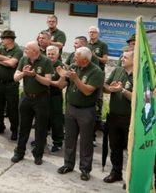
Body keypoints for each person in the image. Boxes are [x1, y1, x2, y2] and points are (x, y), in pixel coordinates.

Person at [56, 47, 105, 181]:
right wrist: (62, 76)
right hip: (71, 108)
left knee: (85, 141)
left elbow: (88, 91)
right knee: (70, 138)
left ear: (84, 60)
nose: (73, 59)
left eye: (76, 57)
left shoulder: (96, 72)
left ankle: (85, 169)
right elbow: (62, 85)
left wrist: (76, 79)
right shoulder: (73, 66)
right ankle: (68, 164)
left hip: (86, 111)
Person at [11, 42, 53, 165]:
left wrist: (35, 75)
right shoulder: (24, 59)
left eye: (27, 48)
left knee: (41, 128)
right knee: (23, 126)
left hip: (41, 99)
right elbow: (15, 77)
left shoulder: (46, 61)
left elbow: (48, 82)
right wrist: (24, 73)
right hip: (26, 97)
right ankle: (19, 152)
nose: (24, 50)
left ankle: (38, 154)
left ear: (34, 51)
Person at [102, 50, 133, 184]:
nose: (122, 59)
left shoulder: (140, 75)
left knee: (130, 150)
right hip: (114, 116)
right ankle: (116, 173)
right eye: (122, 56)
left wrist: (123, 91)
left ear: (134, 59)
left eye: (125, 57)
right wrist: (110, 89)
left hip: (130, 119)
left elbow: (141, 99)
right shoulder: (117, 70)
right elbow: (104, 86)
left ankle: (131, 177)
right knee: (114, 147)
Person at [0, 29, 23, 140]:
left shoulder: (17, 50)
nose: (1, 40)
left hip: (11, 85)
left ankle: (14, 130)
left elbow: (12, 63)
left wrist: (0, 60)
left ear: (9, 39)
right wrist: (5, 59)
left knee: (12, 109)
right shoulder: (2, 48)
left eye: (3, 39)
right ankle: (0, 126)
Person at [46, 45, 67, 153]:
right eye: (48, 53)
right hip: (43, 95)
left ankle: (58, 142)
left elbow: (61, 85)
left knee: (56, 120)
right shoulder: (43, 63)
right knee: (42, 119)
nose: (50, 56)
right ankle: (41, 139)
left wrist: (46, 81)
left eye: (53, 54)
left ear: (58, 55)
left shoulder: (61, 66)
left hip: (55, 97)